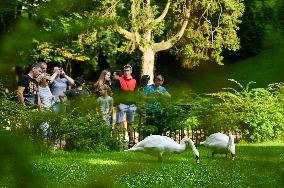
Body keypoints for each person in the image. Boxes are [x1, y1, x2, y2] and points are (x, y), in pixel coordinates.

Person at [115, 64, 137, 148]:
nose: (126, 72)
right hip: (122, 104)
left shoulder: (134, 81)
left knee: (130, 124)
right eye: (125, 71)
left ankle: (131, 141)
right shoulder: (119, 80)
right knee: (118, 123)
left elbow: (135, 93)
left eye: (128, 70)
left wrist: (135, 104)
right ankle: (115, 140)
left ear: (131, 71)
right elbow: (116, 93)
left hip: (131, 105)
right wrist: (117, 103)